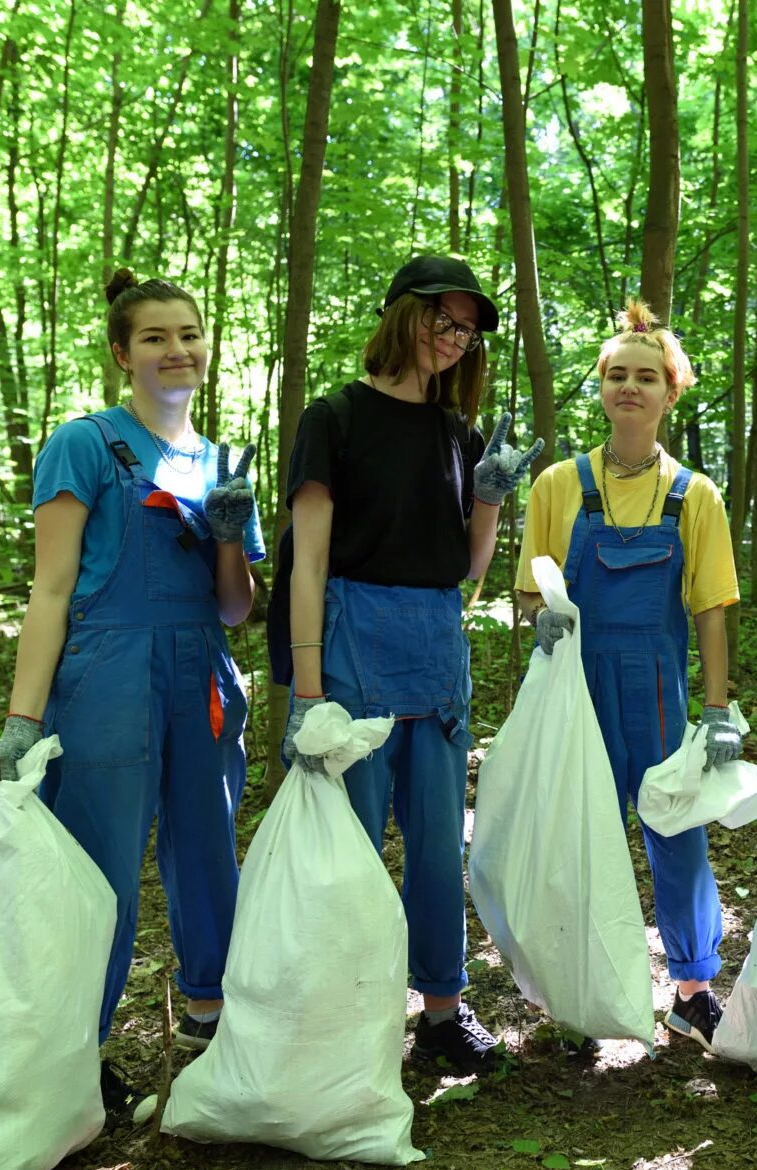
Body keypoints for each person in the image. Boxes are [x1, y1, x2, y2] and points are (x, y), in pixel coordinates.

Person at [0, 270, 265, 1117]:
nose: (177, 350)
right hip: (109, 670)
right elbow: (51, 588)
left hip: (203, 669)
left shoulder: (222, 459)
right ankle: (78, 1055)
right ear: (123, 354)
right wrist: (22, 716)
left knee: (209, 848)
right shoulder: (83, 443)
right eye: (154, 337)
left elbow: (236, 606)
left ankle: (209, 1020)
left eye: (188, 334)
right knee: (101, 868)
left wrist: (231, 537)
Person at [271, 254, 539, 1075]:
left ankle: (442, 1014)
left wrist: (489, 496)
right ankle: (346, 1012)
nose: (454, 338)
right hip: (350, 644)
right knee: (347, 845)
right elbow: (307, 563)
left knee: (434, 842)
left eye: (466, 329)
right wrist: (308, 689)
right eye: (440, 319)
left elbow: (464, 569)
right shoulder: (334, 419)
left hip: (434, 649)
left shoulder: (457, 434)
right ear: (399, 316)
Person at [514, 300, 741, 1054]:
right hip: (572, 685)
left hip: (657, 687)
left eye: (647, 377)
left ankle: (692, 991)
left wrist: (715, 709)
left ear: (671, 392)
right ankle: (578, 1000)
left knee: (676, 829)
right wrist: (539, 621)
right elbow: (527, 589)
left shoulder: (694, 495)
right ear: (602, 389)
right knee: (580, 834)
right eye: (617, 375)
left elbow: (711, 607)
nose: (630, 388)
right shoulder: (556, 485)